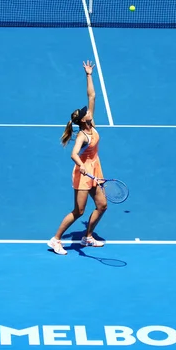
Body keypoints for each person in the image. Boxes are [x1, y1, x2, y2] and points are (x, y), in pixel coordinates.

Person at [47, 60, 108, 255]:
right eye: (85, 113)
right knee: (79, 211)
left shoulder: (92, 123)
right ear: (82, 120)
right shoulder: (82, 135)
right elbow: (74, 154)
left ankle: (87, 236)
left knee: (102, 205)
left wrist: (89, 75)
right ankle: (55, 240)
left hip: (94, 169)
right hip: (83, 174)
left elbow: (92, 96)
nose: (88, 111)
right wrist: (81, 165)